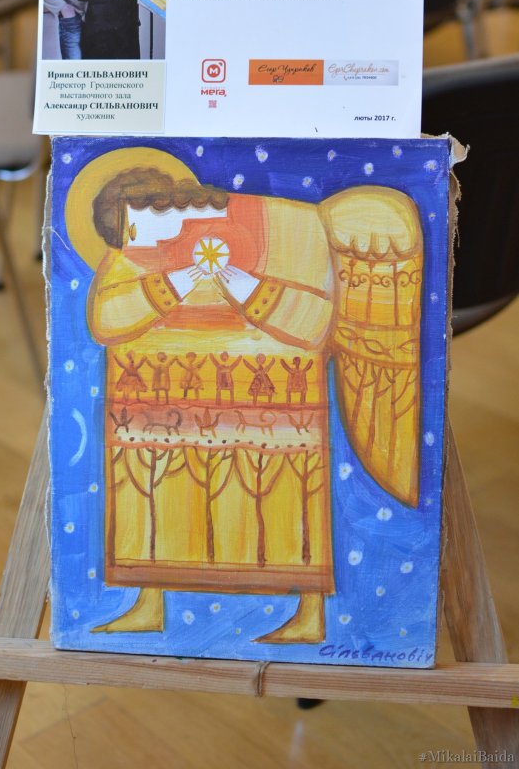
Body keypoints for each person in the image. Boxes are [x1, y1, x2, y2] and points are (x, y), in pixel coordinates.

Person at [64, 152, 424, 644]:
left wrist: (242, 284)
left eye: (147, 220)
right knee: (153, 503)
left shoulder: (276, 234)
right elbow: (107, 319)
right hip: (156, 405)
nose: (142, 236)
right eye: (129, 230)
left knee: (283, 504)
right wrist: (180, 280)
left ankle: (309, 615)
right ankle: (149, 604)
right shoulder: (127, 258)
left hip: (270, 402)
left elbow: (316, 321)